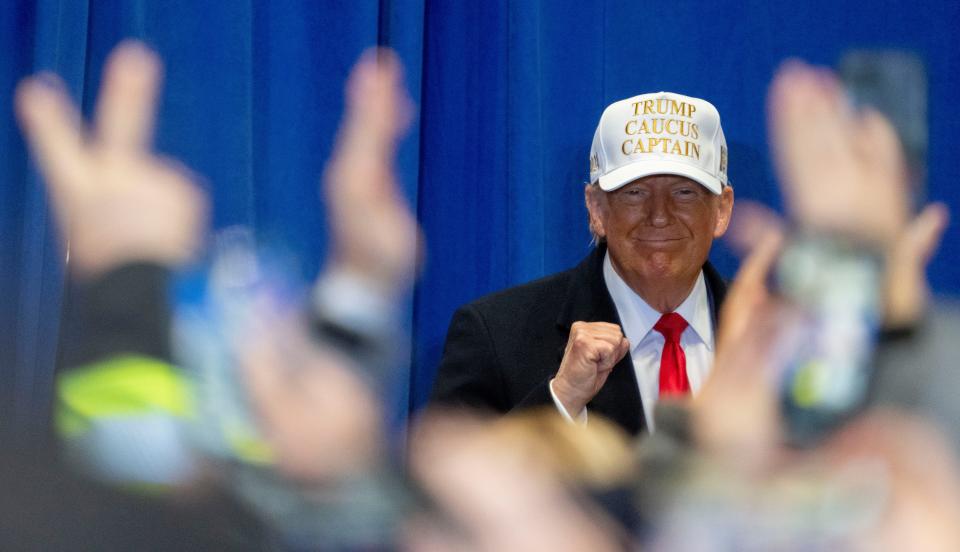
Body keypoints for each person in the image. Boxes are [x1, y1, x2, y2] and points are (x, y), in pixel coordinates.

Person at [430, 92, 734, 434]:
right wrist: (562, 400)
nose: (659, 216)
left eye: (684, 192)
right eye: (634, 193)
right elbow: (442, 484)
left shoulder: (778, 337)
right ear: (597, 209)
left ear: (722, 210)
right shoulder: (495, 335)